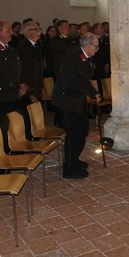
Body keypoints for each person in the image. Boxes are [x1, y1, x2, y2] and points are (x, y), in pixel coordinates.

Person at [52, 32, 101, 179]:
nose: (97, 49)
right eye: (96, 46)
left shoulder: (86, 57)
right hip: (67, 101)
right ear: (87, 45)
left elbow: (85, 79)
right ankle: (69, 169)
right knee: (73, 134)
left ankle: (74, 160)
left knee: (82, 131)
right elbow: (72, 81)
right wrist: (91, 92)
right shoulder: (72, 57)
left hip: (77, 99)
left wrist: (93, 93)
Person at [0, 21, 27, 116]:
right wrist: (16, 87)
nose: (11, 33)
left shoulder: (11, 49)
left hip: (12, 94)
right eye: (8, 31)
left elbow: (17, 69)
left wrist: (21, 83)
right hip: (2, 95)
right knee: (4, 121)